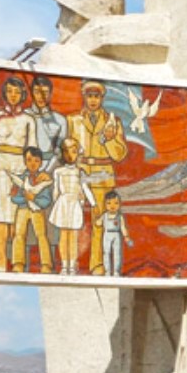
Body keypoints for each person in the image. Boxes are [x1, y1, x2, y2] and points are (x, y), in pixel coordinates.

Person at [67, 80, 127, 274]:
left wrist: (109, 139)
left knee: (100, 222)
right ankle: (70, 263)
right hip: (80, 173)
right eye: (89, 96)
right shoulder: (73, 120)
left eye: (96, 96)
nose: (93, 100)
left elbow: (119, 154)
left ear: (102, 98)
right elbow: (66, 150)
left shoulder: (112, 121)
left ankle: (97, 265)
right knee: (72, 220)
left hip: (103, 174)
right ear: (84, 97)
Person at [0, 78, 36, 272]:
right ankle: (1, 260)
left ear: (22, 95)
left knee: (16, 218)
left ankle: (16, 261)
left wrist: (30, 174)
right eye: (10, 91)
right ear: (5, 93)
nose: (13, 95)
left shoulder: (28, 119)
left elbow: (32, 147)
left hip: (20, 167)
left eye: (17, 92)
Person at [49, 137, 94, 275]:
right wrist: (56, 203)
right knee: (63, 236)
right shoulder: (58, 171)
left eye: (73, 151)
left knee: (73, 237)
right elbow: (56, 190)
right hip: (63, 204)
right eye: (66, 151)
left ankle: (72, 265)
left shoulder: (80, 172)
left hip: (74, 204)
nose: (70, 155)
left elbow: (85, 188)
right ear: (62, 153)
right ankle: (64, 265)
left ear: (78, 153)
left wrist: (93, 203)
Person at [10, 146, 54, 273]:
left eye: (36, 160)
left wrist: (34, 199)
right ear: (24, 161)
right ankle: (18, 263)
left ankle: (46, 264)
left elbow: (46, 200)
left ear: (41, 162)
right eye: (29, 160)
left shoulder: (43, 179)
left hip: (37, 211)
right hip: (23, 209)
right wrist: (24, 197)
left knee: (41, 235)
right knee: (19, 235)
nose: (33, 164)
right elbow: (14, 197)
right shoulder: (20, 179)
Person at [98, 190, 134, 276]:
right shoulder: (104, 215)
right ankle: (107, 271)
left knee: (117, 253)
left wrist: (126, 236)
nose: (112, 206)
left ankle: (116, 271)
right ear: (105, 204)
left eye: (116, 203)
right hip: (107, 234)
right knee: (106, 252)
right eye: (109, 203)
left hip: (117, 235)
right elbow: (98, 223)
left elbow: (123, 227)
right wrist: (98, 221)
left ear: (119, 204)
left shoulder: (119, 216)